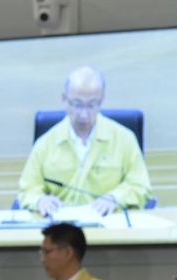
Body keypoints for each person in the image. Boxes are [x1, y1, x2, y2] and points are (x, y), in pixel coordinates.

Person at [17, 65, 152, 217]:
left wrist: (115, 198)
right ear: (64, 99)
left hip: (110, 225)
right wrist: (40, 200)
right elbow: (28, 189)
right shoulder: (45, 143)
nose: (83, 114)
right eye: (77, 104)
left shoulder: (124, 139)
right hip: (62, 229)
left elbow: (140, 186)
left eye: (92, 105)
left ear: (101, 101)